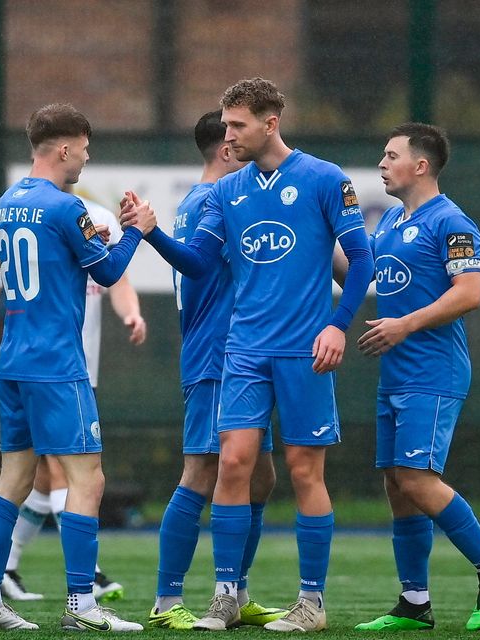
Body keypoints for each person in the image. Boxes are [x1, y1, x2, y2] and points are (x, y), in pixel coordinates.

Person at [122, 77, 374, 632]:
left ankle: (311, 604)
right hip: (243, 351)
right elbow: (199, 264)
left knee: (305, 471)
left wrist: (337, 326)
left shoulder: (325, 179)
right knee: (232, 464)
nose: (228, 134)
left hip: (304, 350)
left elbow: (362, 261)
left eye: (237, 124)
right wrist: (151, 232)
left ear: (270, 123)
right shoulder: (225, 192)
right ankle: (225, 595)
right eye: (226, 124)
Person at [0, 103, 155, 632]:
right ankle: (81, 607)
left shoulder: (8, 202)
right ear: (65, 148)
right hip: (57, 363)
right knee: (87, 478)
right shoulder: (66, 209)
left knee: (14, 478)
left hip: (13, 361)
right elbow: (112, 268)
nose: (86, 161)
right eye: (86, 150)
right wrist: (137, 229)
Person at [346, 123, 480, 632]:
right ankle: (415, 602)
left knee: (419, 480)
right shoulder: (393, 224)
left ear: (420, 166)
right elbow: (358, 274)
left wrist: (406, 324)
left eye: (390, 154)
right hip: (397, 374)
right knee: (398, 485)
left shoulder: (452, 221)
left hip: (433, 373)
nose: (382, 163)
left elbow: (470, 293)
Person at [147, 110, 285, 630]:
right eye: (236, 139)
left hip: (240, 355)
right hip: (218, 355)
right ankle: (166, 601)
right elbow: (203, 264)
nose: (243, 147)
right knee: (202, 471)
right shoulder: (215, 200)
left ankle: (238, 590)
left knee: (260, 477)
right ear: (226, 151)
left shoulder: (200, 200)